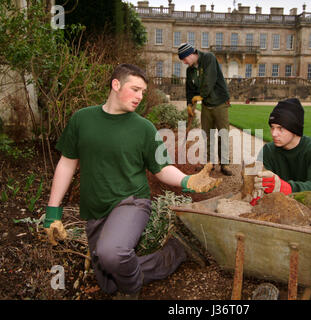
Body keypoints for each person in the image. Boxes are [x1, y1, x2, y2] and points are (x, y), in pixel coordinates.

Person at [43, 63, 220, 297]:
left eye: (143, 92)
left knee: (112, 253)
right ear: (116, 85)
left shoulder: (143, 128)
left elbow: (161, 168)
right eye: (135, 89)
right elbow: (66, 163)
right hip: (95, 209)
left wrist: (188, 180)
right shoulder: (82, 120)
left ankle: (132, 290)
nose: (139, 96)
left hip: (132, 202)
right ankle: (174, 253)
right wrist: (52, 213)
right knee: (107, 278)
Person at [251, 98, 311, 206]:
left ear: (295, 129)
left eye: (280, 128)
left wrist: (285, 187)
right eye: (272, 128)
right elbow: (261, 179)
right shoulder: (268, 150)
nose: (274, 134)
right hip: (283, 207)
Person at [178, 42, 233, 176]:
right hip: (206, 105)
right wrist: (189, 105)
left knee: (222, 134)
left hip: (219, 102)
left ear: (191, 54)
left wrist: (200, 96)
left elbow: (209, 81)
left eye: (184, 59)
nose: (184, 62)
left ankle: (224, 164)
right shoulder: (190, 70)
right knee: (207, 135)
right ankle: (209, 163)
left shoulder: (209, 58)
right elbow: (190, 89)